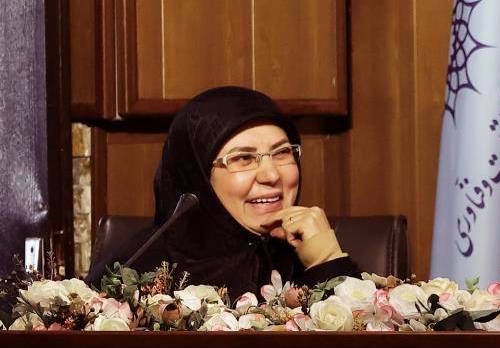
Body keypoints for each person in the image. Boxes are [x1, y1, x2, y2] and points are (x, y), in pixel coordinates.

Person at [86, 86, 358, 299]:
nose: (272, 175)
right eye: (243, 158)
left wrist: (327, 261)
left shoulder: (307, 253)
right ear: (199, 179)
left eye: (282, 152)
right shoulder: (141, 271)